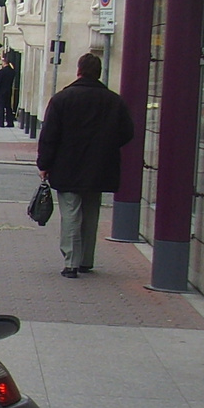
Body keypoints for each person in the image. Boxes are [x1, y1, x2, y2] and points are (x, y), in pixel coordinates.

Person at [37, 52, 134, 278]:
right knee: (91, 213)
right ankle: (86, 260)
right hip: (100, 165)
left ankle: (70, 262)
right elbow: (127, 132)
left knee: (70, 212)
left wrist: (44, 163)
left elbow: (49, 135)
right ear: (99, 73)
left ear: (78, 71)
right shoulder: (114, 101)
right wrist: (107, 145)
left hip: (67, 164)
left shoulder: (62, 99)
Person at [0, 56, 17, 127]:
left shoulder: (2, 71)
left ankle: (0, 123)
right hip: (8, 90)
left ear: (4, 62)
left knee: (1, 107)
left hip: (1, 91)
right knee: (8, 107)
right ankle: (10, 122)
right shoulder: (12, 71)